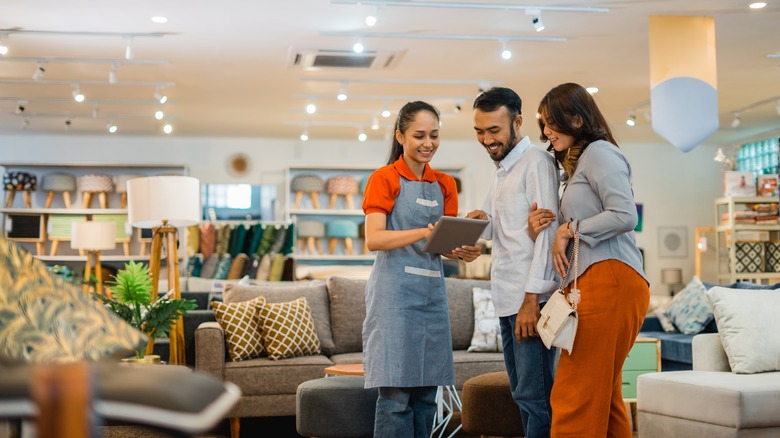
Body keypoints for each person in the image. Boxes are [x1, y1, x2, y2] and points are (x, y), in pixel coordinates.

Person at [530, 82, 650, 437]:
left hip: (609, 280)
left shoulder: (600, 153)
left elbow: (626, 215)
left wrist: (569, 228)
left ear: (577, 120)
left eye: (552, 123)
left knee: (574, 396)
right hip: (598, 283)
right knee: (604, 399)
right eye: (544, 125)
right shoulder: (579, 163)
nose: (546, 132)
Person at [361, 100, 482, 438]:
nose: (428, 143)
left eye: (434, 135)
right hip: (394, 297)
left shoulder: (446, 184)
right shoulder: (383, 179)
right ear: (401, 136)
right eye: (419, 136)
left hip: (431, 297)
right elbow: (374, 239)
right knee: (396, 394)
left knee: (428, 395)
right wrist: (425, 232)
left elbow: (443, 248)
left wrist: (465, 250)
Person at [465, 87, 560, 438]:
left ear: (517, 122)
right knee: (524, 395)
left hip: (528, 301)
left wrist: (531, 300)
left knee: (537, 398)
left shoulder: (536, 162)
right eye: (479, 131)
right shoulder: (502, 167)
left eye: (493, 130)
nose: (486, 139)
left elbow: (546, 234)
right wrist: (478, 220)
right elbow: (497, 224)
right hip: (506, 299)